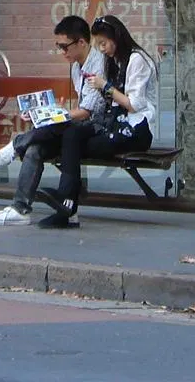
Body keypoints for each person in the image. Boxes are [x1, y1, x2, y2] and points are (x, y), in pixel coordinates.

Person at [0, 15, 107, 227]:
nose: (62, 52)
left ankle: (15, 145)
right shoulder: (78, 66)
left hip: (96, 130)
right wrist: (48, 113)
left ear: (82, 42)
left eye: (64, 46)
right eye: (59, 46)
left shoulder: (99, 65)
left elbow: (88, 112)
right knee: (35, 149)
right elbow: (80, 110)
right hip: (77, 129)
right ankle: (20, 209)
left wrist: (57, 115)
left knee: (51, 128)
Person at [37, 14, 159, 229]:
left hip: (136, 130)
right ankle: (66, 203)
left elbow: (134, 105)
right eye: (98, 45)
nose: (101, 49)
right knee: (72, 134)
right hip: (114, 125)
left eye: (103, 43)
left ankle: (67, 205)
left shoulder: (137, 59)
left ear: (117, 37)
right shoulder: (114, 61)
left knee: (74, 145)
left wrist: (105, 86)